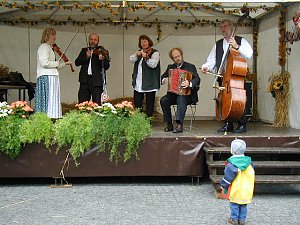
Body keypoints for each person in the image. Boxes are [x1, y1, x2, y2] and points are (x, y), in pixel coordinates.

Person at [201, 19, 253, 133]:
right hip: (223, 77)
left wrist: (237, 46)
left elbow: (249, 54)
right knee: (225, 100)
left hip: (236, 76)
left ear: (231, 27)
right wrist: (206, 67)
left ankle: (242, 124)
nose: (223, 29)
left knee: (240, 100)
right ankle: (228, 124)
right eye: (222, 27)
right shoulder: (218, 44)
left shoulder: (240, 40)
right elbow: (212, 60)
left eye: (226, 26)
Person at [160, 48, 200, 133]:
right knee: (164, 100)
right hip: (174, 95)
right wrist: (165, 80)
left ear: (181, 55)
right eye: (175, 57)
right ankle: (169, 124)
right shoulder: (170, 67)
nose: (178, 58)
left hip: (187, 96)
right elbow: (161, 78)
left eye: (179, 56)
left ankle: (179, 125)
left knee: (181, 97)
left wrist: (189, 83)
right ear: (172, 59)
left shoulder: (190, 66)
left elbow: (197, 79)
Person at [35, 27, 72, 119]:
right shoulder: (44, 47)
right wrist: (57, 63)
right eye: (53, 35)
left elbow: (55, 66)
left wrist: (64, 64)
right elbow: (45, 63)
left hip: (52, 76)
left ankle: (52, 117)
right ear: (47, 36)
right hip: (47, 77)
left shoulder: (49, 48)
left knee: (52, 99)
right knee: (49, 99)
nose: (55, 37)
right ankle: (48, 117)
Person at [220, 139, 255, 225]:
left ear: (232, 150)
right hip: (247, 188)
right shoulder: (249, 162)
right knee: (243, 204)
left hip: (236, 188)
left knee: (234, 204)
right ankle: (242, 219)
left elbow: (228, 177)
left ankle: (234, 219)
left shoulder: (232, 164)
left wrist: (223, 185)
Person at [129, 34, 160, 118]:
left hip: (150, 81)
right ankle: (139, 119)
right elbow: (131, 59)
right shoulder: (139, 52)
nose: (143, 43)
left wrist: (147, 58)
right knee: (137, 102)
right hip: (139, 82)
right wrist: (136, 54)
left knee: (150, 103)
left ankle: (148, 120)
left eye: (145, 41)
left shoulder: (155, 52)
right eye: (141, 42)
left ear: (149, 42)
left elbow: (153, 64)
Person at [75, 33, 110, 105]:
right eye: (91, 39)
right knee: (82, 103)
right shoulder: (84, 50)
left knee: (97, 104)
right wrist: (86, 56)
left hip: (97, 82)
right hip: (84, 81)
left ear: (98, 41)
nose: (93, 41)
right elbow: (77, 62)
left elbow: (106, 66)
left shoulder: (102, 51)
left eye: (95, 40)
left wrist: (102, 59)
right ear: (89, 40)